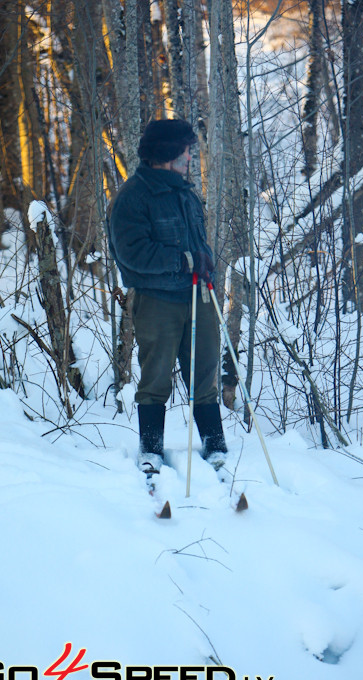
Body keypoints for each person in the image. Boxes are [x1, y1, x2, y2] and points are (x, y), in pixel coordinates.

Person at [108, 119, 227, 477]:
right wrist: (183, 261)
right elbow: (131, 253)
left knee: (205, 370)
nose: (191, 155)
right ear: (168, 152)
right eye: (186, 149)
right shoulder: (134, 196)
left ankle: (214, 442)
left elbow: (198, 242)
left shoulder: (186, 193)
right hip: (157, 299)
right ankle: (151, 448)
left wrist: (205, 264)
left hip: (198, 295)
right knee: (156, 374)